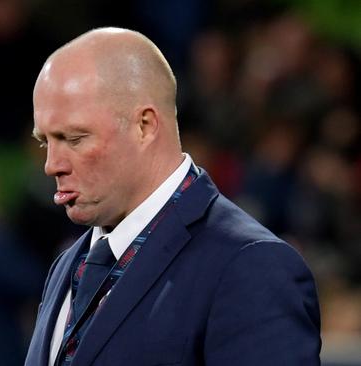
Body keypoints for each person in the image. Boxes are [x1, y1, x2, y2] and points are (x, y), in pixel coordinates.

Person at [25, 27, 320, 366]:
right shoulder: (67, 267)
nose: (51, 165)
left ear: (145, 126)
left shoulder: (251, 266)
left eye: (74, 138)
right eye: (46, 142)